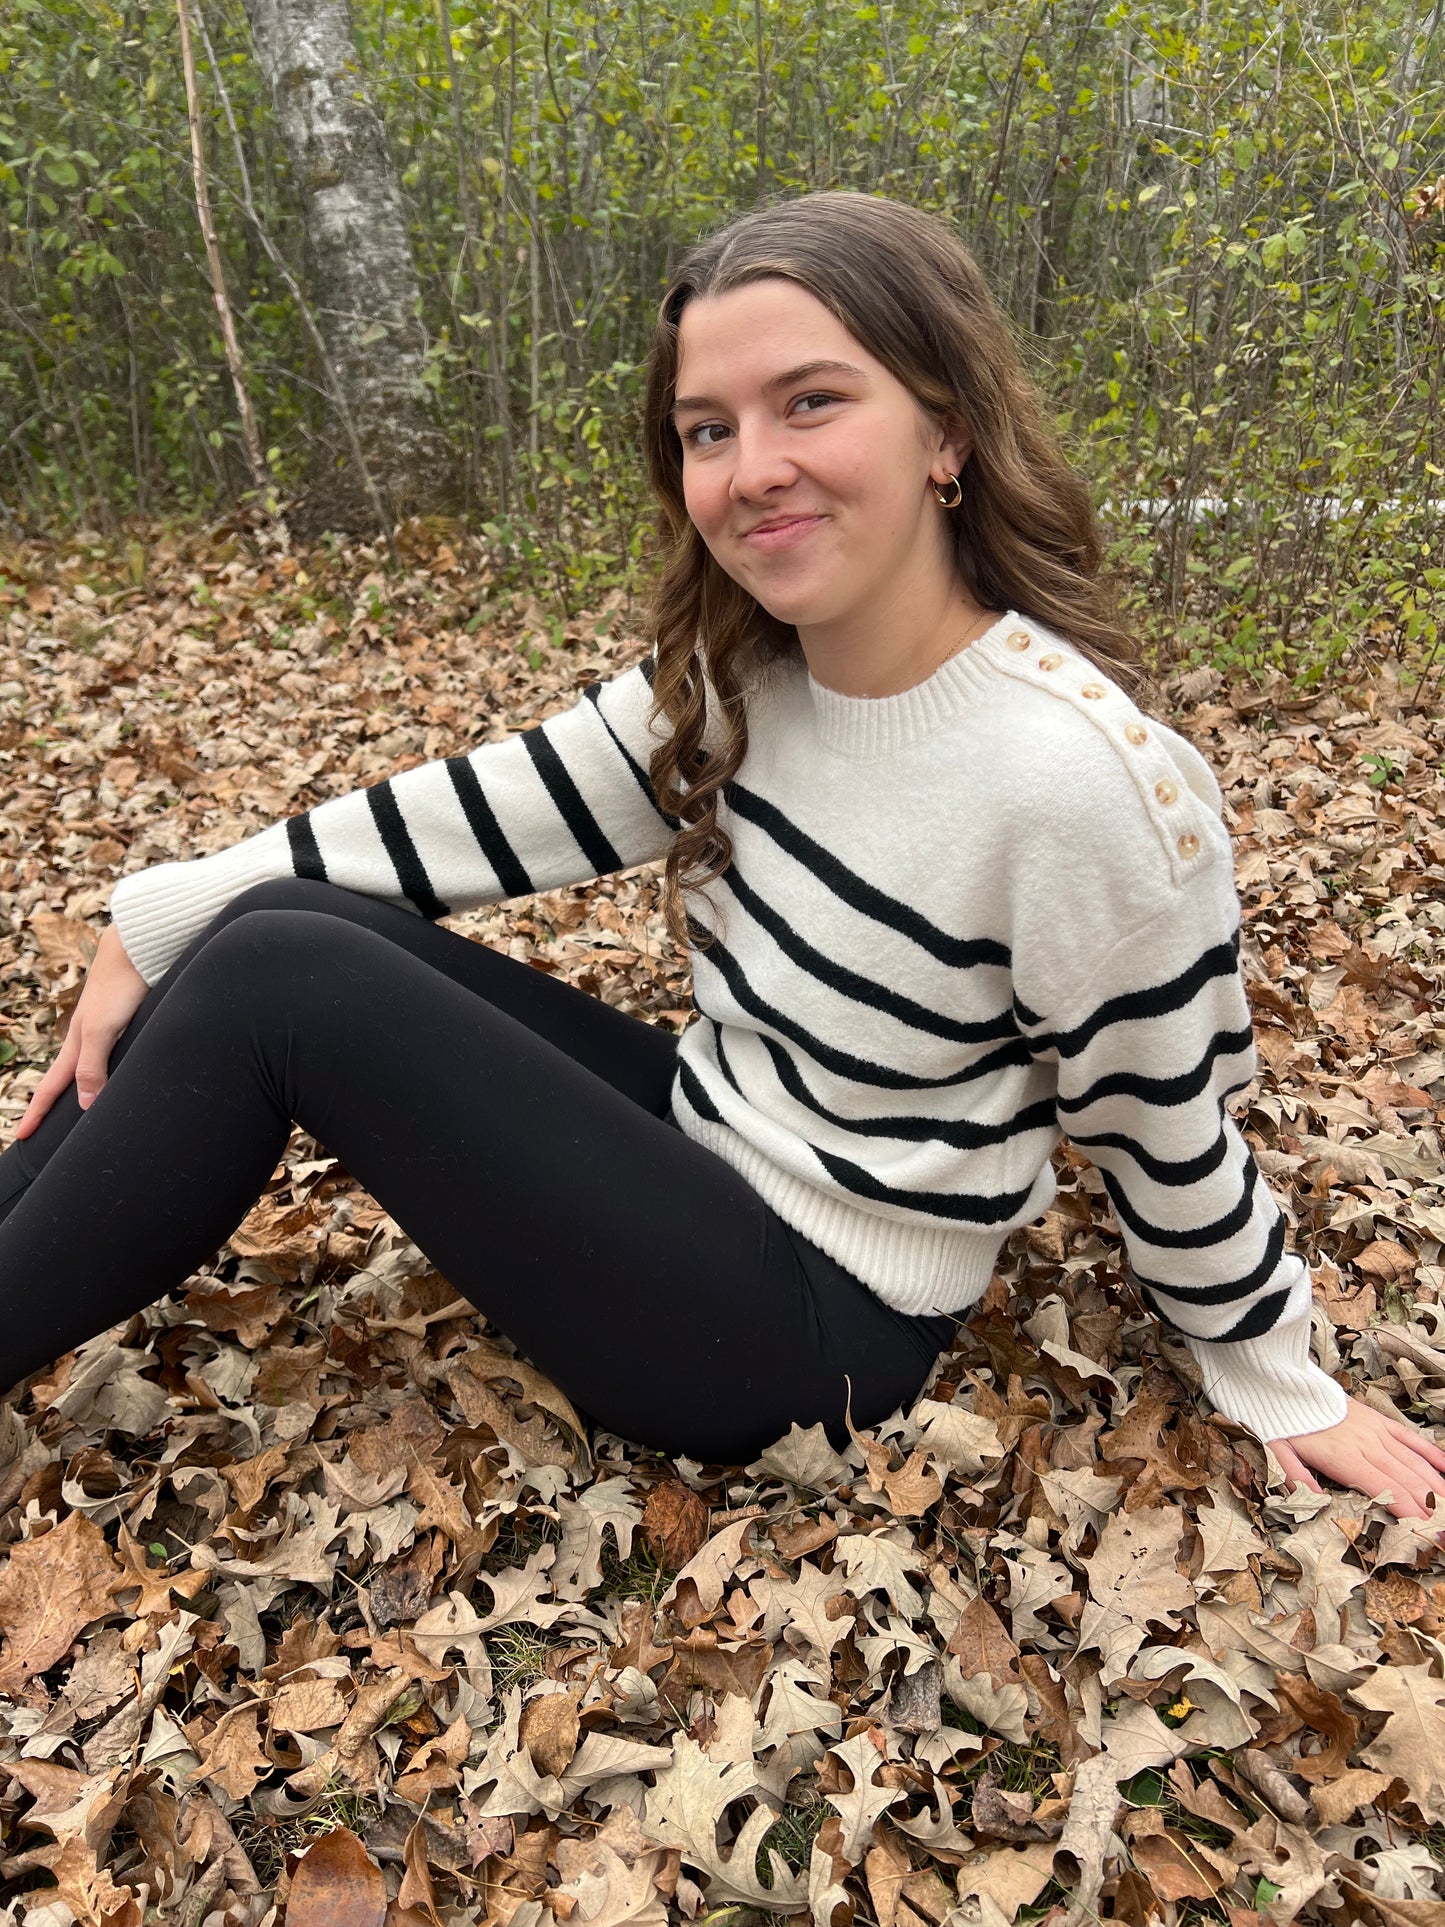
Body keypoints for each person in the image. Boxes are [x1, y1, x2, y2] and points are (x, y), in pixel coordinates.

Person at [3, 191, 1443, 1516]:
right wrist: (156, 919)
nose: (751, 471)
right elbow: (473, 815)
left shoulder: (1069, 779)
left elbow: (1162, 1116)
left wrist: (1275, 1371)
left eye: (809, 403)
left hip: (812, 1327)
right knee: (267, 925)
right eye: (707, 429)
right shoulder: (751, 675)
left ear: (943, 432)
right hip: (710, 1146)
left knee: (283, 977)